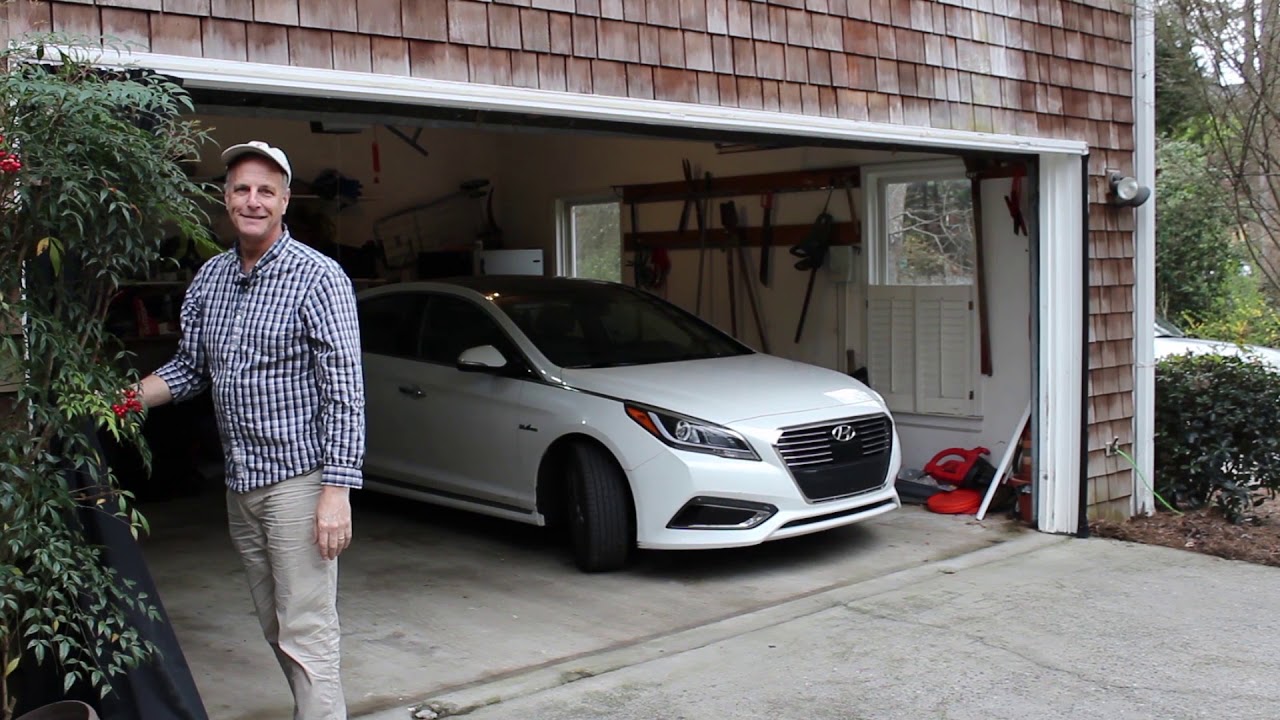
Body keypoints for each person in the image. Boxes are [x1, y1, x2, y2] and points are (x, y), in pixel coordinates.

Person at [137, 140, 365, 720]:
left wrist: (335, 492)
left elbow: (345, 391)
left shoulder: (320, 278)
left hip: (299, 482)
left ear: (286, 200)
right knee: (275, 624)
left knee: (308, 631)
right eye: (242, 189)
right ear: (226, 198)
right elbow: (191, 368)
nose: (254, 201)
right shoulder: (211, 278)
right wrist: (124, 400)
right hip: (242, 484)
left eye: (267, 190)